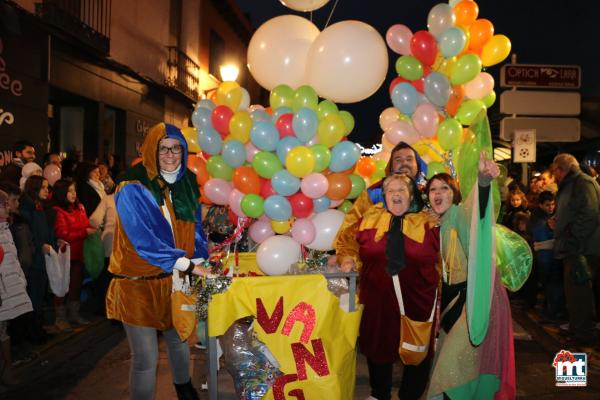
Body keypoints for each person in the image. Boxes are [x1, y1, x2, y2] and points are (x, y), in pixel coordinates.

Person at [106, 122, 209, 400]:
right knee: (145, 358)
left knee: (179, 338)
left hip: (174, 280)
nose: (171, 154)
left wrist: (200, 256)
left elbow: (195, 226)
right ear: (152, 149)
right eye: (164, 148)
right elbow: (143, 240)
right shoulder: (132, 185)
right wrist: (186, 264)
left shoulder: (186, 180)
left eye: (176, 148)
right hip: (137, 284)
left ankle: (184, 388)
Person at [337, 174, 439, 400]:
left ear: (411, 195)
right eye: (390, 190)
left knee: (417, 347)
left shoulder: (429, 220)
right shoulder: (370, 217)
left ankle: (410, 395)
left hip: (418, 296)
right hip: (377, 296)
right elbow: (347, 241)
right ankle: (379, 393)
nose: (396, 194)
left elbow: (446, 256)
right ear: (383, 196)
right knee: (377, 344)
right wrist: (346, 258)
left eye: (402, 189)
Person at [425, 153, 517, 399]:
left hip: (473, 305)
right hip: (451, 309)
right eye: (432, 189)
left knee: (452, 369)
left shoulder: (461, 214)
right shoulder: (438, 224)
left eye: (444, 187)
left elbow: (480, 217)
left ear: (454, 192)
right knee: (454, 371)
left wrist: (483, 182)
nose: (437, 193)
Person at [334, 142, 427, 266]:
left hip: (420, 275)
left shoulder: (430, 194)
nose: (404, 163)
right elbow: (348, 232)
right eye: (398, 159)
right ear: (391, 167)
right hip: (380, 272)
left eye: (409, 159)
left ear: (417, 166)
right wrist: (347, 258)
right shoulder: (373, 194)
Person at [550, 153, 600, 345]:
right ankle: (578, 329)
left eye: (554, 171)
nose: (554, 175)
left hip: (582, 249)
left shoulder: (582, 183)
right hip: (576, 247)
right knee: (575, 294)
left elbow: (590, 214)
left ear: (561, 169)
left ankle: (583, 334)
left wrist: (572, 238)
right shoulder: (574, 184)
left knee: (580, 294)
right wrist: (559, 221)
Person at [51, 179, 96, 331]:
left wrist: (93, 229)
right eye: (69, 191)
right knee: (62, 286)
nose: (73, 194)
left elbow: (85, 224)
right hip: (65, 256)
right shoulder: (58, 211)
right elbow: (62, 233)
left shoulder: (80, 207)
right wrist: (84, 232)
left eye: (74, 190)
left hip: (79, 254)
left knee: (76, 285)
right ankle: (61, 318)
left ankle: (74, 314)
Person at [0, 189, 33, 385]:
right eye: (3, 204)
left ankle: (7, 370)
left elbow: (12, 258)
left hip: (7, 290)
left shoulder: (5, 228)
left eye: (6, 203)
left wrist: (20, 281)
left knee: (4, 329)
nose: (7, 207)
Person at [19, 175, 57, 344]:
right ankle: (33, 333)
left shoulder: (39, 207)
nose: (47, 190)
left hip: (43, 258)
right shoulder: (27, 209)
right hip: (35, 260)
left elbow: (46, 231)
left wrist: (54, 242)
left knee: (40, 294)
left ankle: (38, 329)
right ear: (34, 188)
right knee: (34, 295)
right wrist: (40, 245)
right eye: (43, 187)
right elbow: (30, 236)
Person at [529, 190, 565, 321]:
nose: (551, 207)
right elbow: (540, 237)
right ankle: (551, 311)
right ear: (540, 205)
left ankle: (552, 311)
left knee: (553, 285)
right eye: (547, 205)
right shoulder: (538, 218)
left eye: (552, 204)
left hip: (552, 256)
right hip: (546, 257)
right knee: (550, 284)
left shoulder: (552, 216)